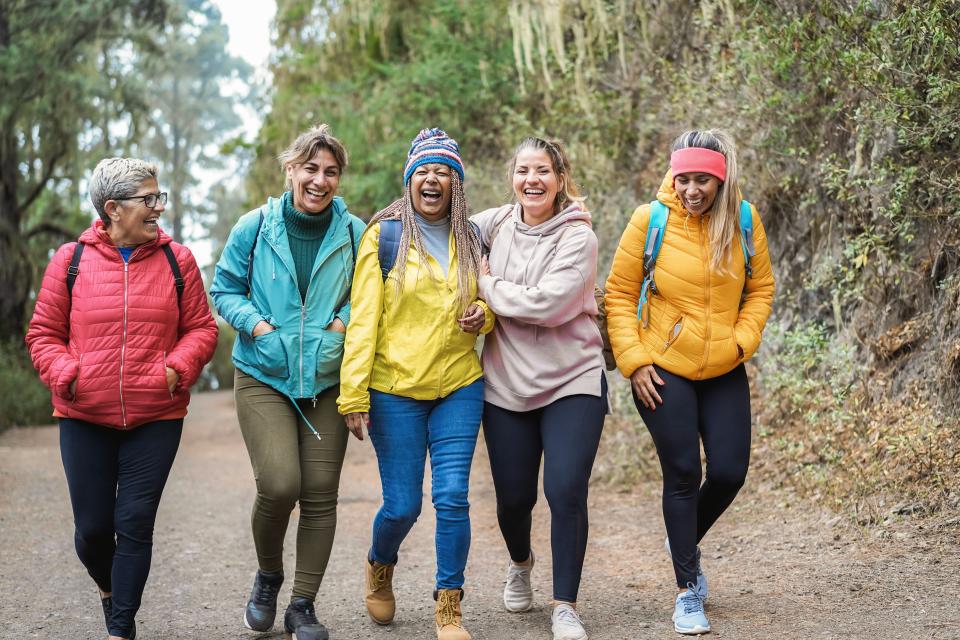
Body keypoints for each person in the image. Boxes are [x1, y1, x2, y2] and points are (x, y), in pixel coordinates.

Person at [25, 157, 218, 640]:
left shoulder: (180, 261)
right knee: (93, 531)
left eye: (159, 198)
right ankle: (111, 592)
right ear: (112, 209)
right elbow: (43, 333)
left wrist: (177, 368)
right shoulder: (69, 260)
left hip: (156, 415)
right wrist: (66, 372)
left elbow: (201, 328)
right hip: (85, 414)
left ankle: (120, 627)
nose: (158, 208)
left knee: (134, 523)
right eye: (147, 200)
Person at [605, 129, 775, 635]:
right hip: (662, 368)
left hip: (724, 365)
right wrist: (634, 361)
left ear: (721, 180)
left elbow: (761, 288)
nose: (692, 190)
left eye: (703, 179)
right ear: (673, 175)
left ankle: (681, 538)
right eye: (684, 179)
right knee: (681, 472)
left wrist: (741, 342)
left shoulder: (744, 220)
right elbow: (618, 294)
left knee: (728, 472)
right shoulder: (649, 219)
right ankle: (687, 592)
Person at [338, 128, 493, 640]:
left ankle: (449, 604)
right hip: (395, 389)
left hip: (458, 386)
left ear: (456, 183)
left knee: (452, 498)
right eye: (423, 171)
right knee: (403, 504)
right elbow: (363, 321)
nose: (433, 179)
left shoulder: (470, 237)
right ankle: (380, 566)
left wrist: (484, 315)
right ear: (409, 180)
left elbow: (492, 298)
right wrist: (353, 393)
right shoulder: (382, 237)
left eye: (444, 171)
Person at [210, 124, 364, 640]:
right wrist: (255, 325)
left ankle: (303, 604)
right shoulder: (254, 227)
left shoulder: (355, 234)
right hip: (264, 373)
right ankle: (269, 576)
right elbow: (225, 287)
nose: (319, 181)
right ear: (291, 170)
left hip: (326, 378)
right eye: (311, 169)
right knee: (280, 484)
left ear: (339, 178)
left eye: (330, 172)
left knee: (320, 491)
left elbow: (370, 294)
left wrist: (341, 323)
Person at [470, 137, 606, 640]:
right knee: (512, 501)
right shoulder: (496, 223)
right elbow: (442, 223)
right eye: (524, 170)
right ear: (512, 178)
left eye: (543, 171)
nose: (533, 180)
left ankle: (565, 605)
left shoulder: (579, 238)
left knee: (565, 489)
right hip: (506, 384)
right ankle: (521, 561)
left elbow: (547, 304)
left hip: (573, 377)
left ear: (560, 178)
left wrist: (487, 287)